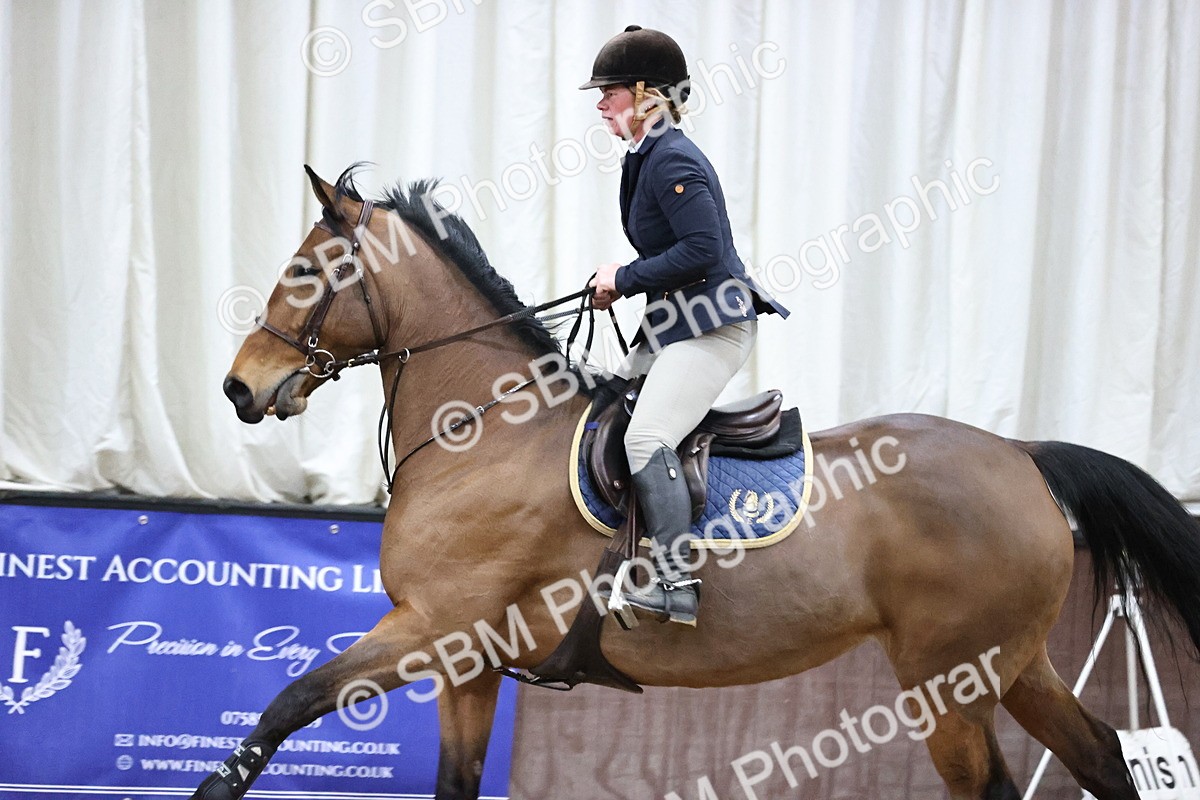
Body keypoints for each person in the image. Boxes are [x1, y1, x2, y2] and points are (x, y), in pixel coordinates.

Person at [582, 25, 789, 626]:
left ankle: (675, 583)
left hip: (713, 326)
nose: (600, 104)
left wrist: (622, 278)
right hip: (675, 321)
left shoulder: (671, 156)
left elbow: (702, 249)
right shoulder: (644, 155)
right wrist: (620, 283)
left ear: (647, 94)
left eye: (610, 92)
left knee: (646, 438)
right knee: (602, 408)